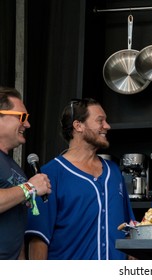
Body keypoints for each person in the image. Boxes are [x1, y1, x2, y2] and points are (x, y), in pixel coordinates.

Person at [25, 98, 135, 259]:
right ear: (78, 126)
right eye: (100, 121)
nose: (107, 126)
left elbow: (128, 229)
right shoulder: (48, 175)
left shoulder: (114, 172)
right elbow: (38, 240)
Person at [0, 87, 51, 260]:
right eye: (22, 117)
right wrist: (29, 187)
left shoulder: (13, 166)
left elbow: (16, 226)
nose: (27, 124)